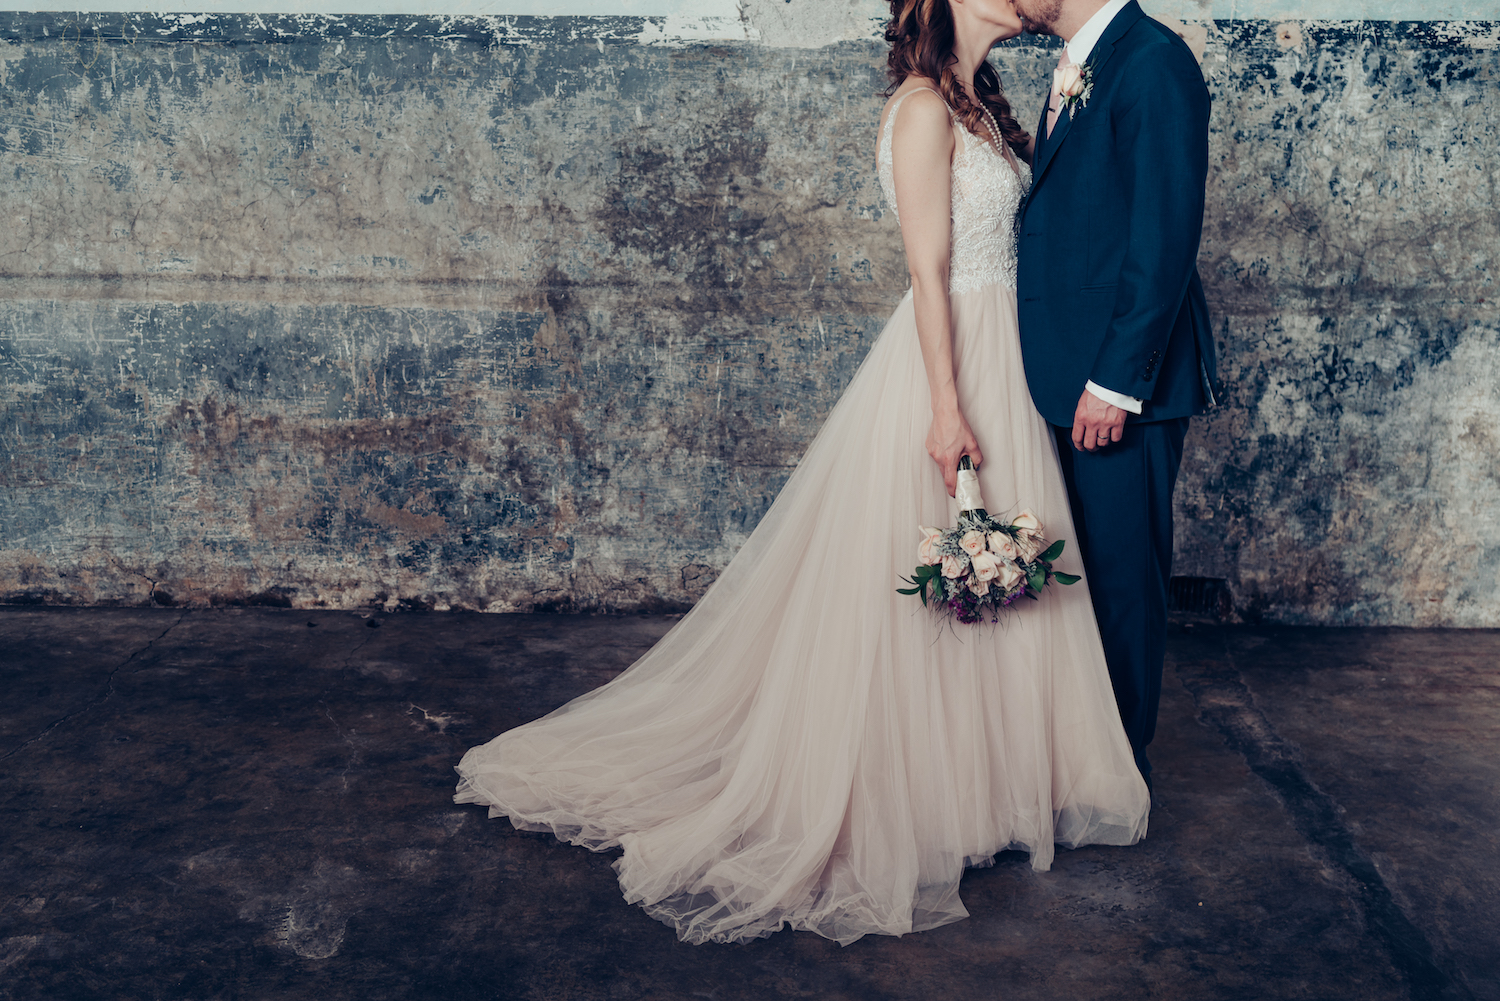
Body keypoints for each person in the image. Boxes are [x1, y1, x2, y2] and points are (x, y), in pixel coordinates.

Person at [454, 0, 1149, 946]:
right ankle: (915, 792)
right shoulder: (918, 111)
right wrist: (948, 409)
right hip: (954, 364)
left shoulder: (985, 106)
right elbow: (928, 268)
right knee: (931, 583)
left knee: (1006, 579)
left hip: (1011, 360)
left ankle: (988, 786)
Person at [1012, 0, 1216, 791]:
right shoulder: (1082, 64)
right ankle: (1084, 757)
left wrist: (1114, 382)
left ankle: (1119, 773)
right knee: (1085, 578)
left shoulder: (1153, 60)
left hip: (1121, 384)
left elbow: (1165, 234)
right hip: (1070, 371)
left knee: (1125, 582)